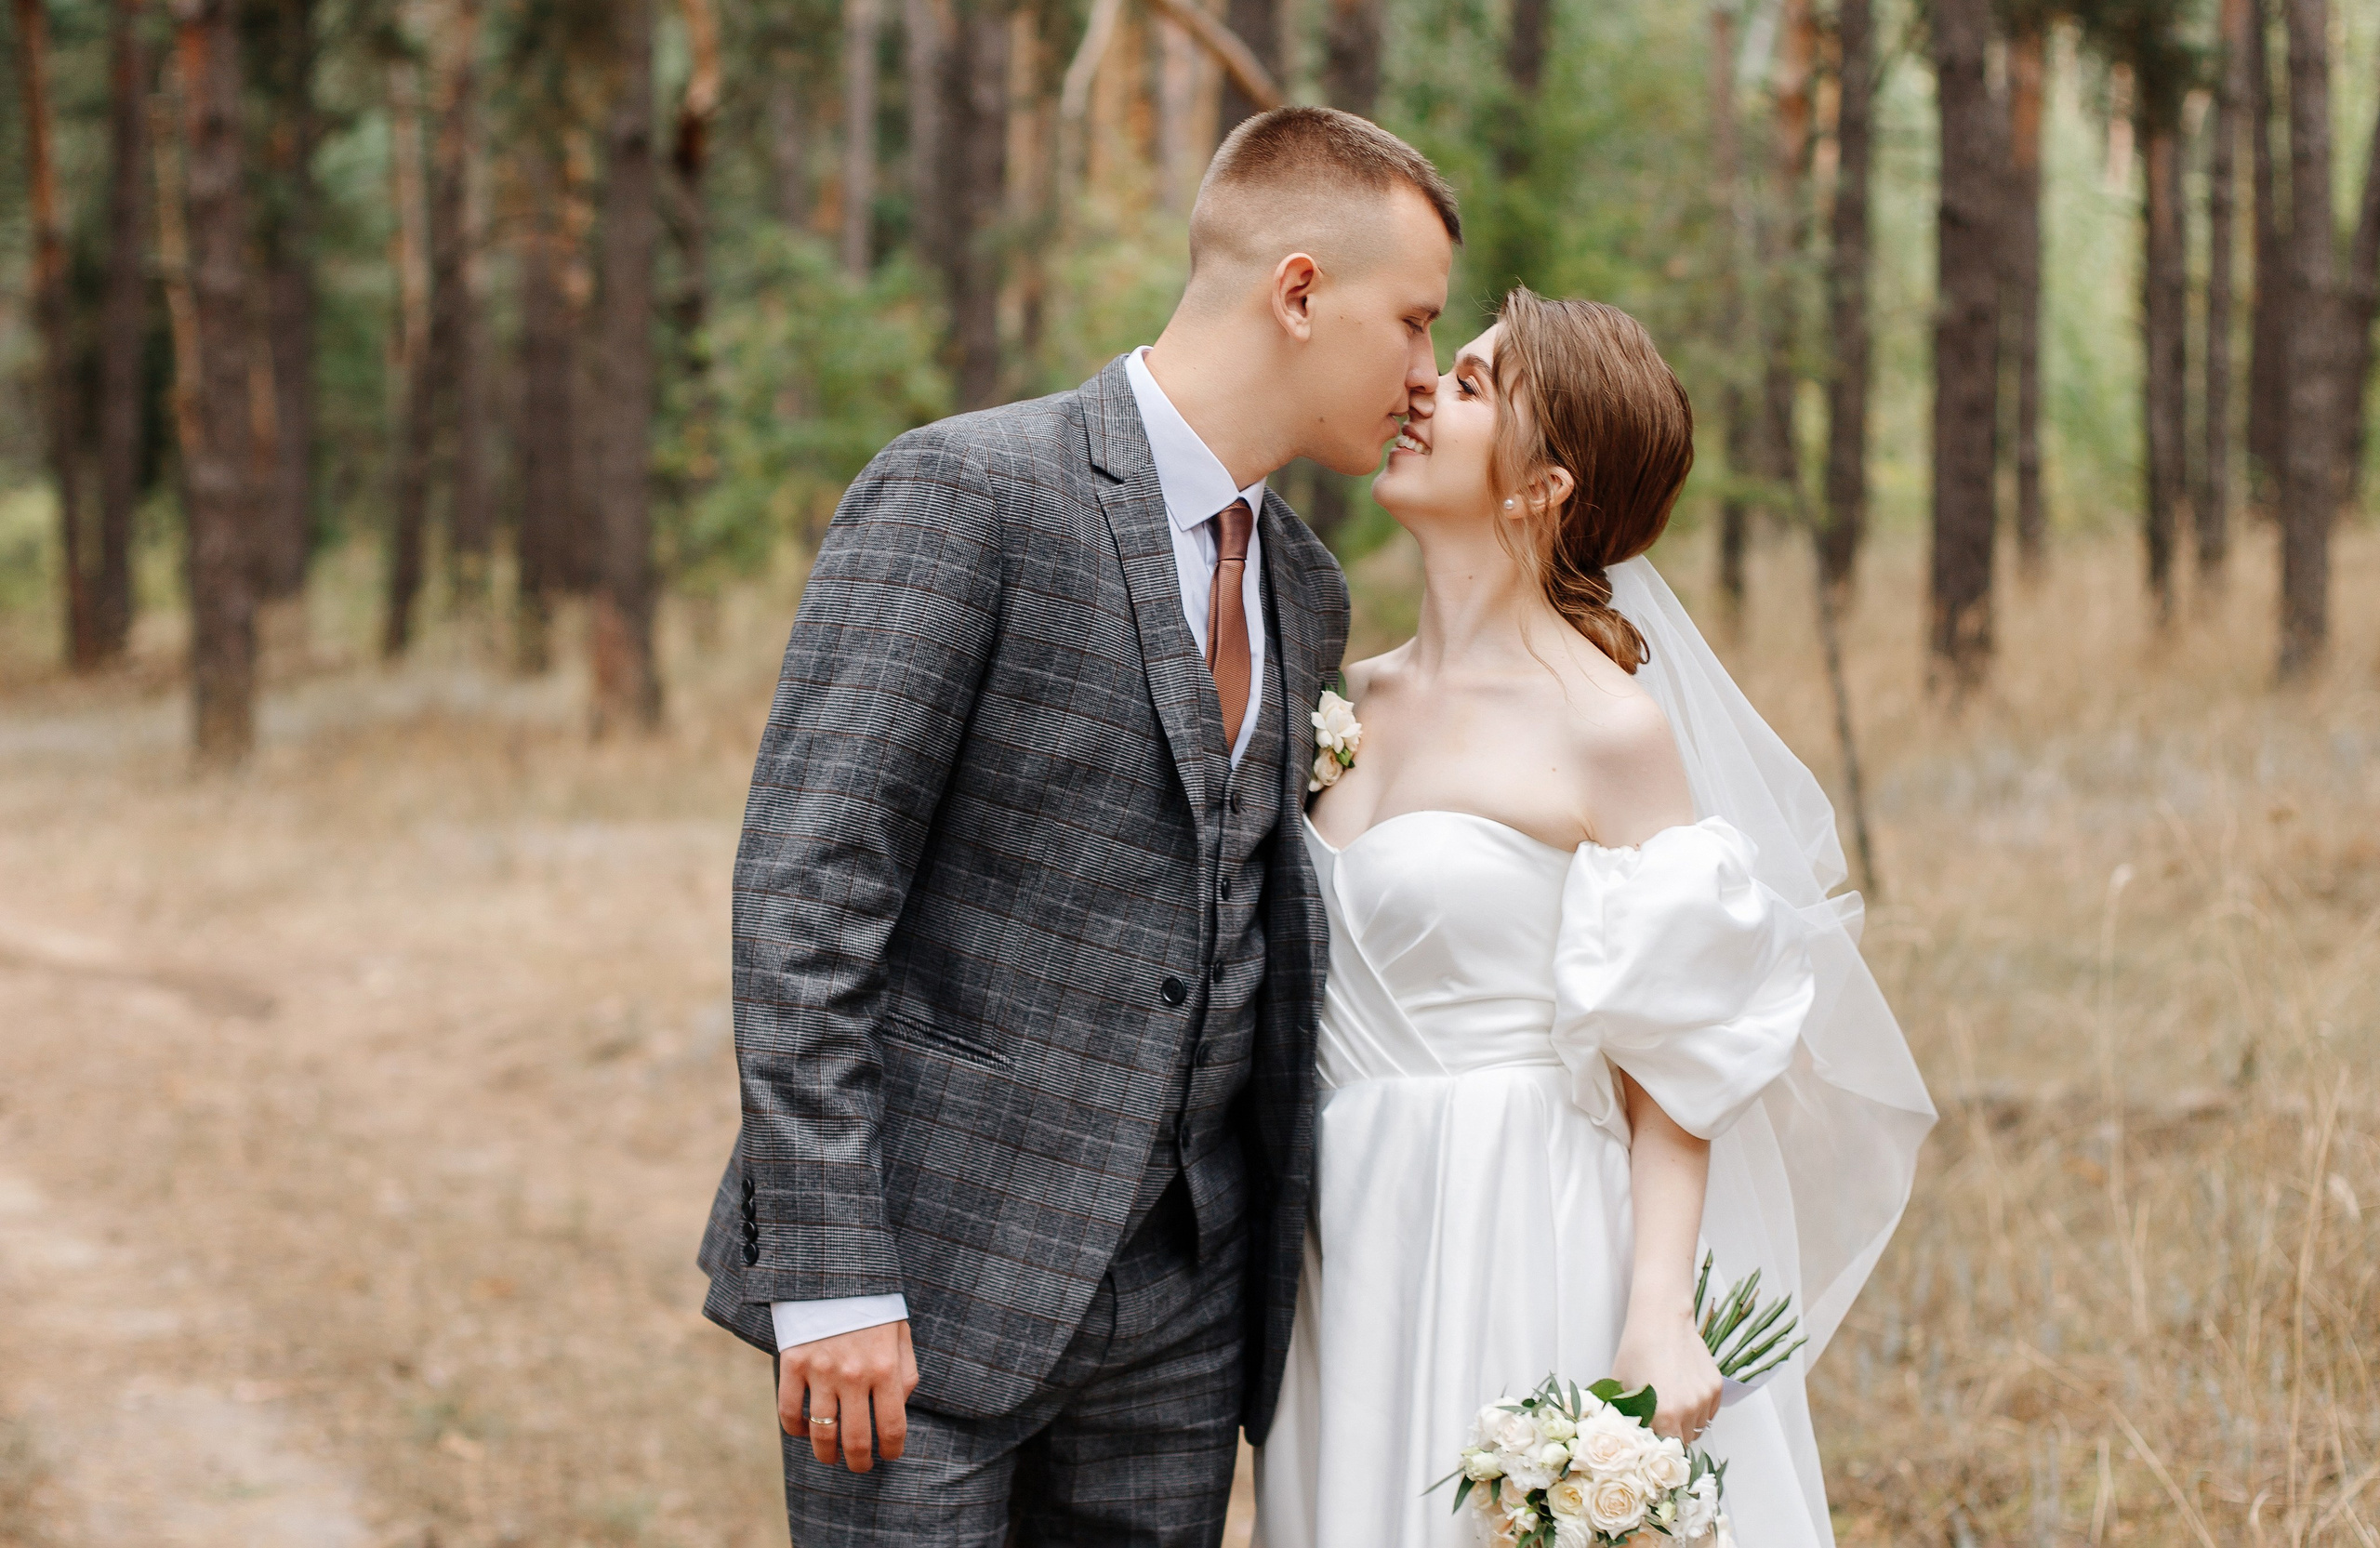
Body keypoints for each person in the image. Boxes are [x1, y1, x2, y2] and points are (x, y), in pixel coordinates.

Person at [694, 107, 1461, 1545]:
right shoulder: (967, 493)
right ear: (1299, 291)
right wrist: (837, 1274)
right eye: (1414, 323)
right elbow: (806, 896)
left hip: (1180, 1316)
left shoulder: (1304, 584)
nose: (1426, 376)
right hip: (924, 1294)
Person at [1252, 291, 1935, 1547]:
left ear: (1541, 485)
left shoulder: (1606, 727)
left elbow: (1674, 1052)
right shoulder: (1334, 698)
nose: (1418, 393)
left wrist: (1657, 1312)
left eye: (1467, 385)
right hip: (1343, 1228)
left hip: (1519, 1209)